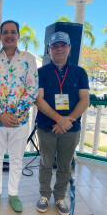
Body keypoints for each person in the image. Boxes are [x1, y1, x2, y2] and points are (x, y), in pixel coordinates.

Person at [0, 20, 38, 212]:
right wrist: (1, 114)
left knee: (16, 159)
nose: (9, 35)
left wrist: (14, 115)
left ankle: (13, 193)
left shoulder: (28, 59)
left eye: (12, 32)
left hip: (20, 121)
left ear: (18, 36)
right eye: (5, 32)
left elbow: (32, 90)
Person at [35, 31, 89, 215]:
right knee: (45, 163)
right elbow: (38, 99)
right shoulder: (40, 72)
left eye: (63, 45)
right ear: (49, 50)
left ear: (69, 49)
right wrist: (59, 119)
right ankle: (44, 195)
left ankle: (59, 197)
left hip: (71, 129)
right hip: (46, 126)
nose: (59, 49)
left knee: (65, 166)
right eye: (55, 46)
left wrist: (67, 121)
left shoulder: (80, 72)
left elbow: (84, 100)